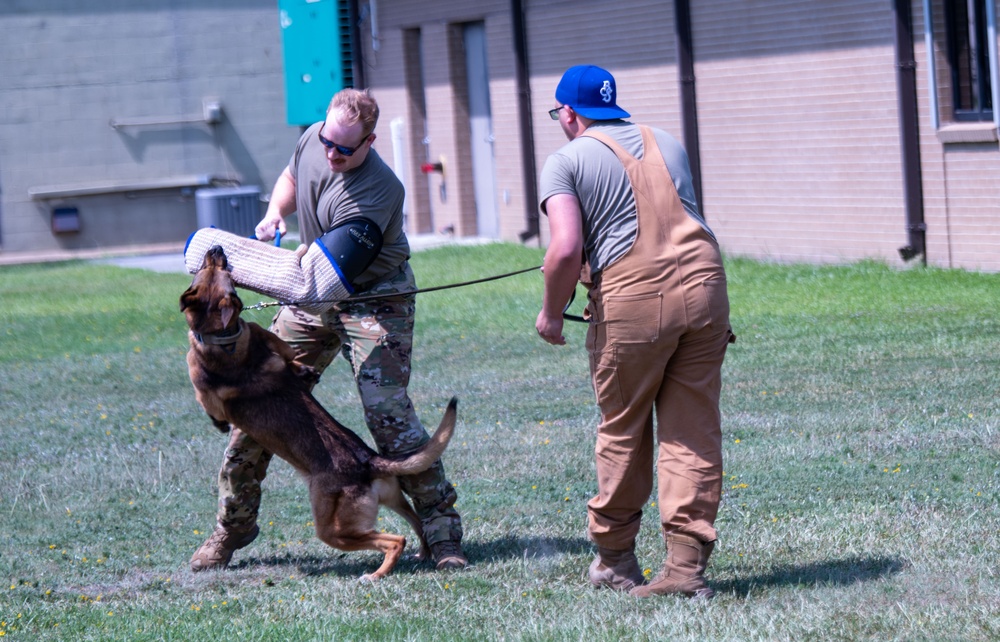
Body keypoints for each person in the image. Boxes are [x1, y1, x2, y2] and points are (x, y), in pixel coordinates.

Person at [189, 88, 467, 572]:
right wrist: (277, 210)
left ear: (370, 141)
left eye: (345, 149)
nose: (331, 154)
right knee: (252, 413)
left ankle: (441, 536)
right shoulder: (316, 142)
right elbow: (292, 175)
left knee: (389, 415)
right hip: (310, 290)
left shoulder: (379, 189)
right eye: (327, 143)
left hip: (370, 297)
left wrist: (258, 271)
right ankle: (230, 530)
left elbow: (325, 278)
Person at [535, 65, 734, 598]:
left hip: (636, 299)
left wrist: (552, 312)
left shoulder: (567, 159)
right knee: (691, 429)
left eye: (558, 114)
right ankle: (686, 569)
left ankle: (616, 562)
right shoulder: (666, 140)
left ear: (569, 114)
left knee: (623, 428)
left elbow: (564, 249)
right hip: (707, 287)